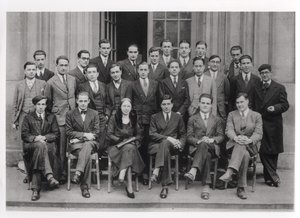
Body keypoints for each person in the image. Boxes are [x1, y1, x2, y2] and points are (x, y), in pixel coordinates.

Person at [219, 93, 262, 199]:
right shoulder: (232, 114)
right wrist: (235, 138)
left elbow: (258, 133)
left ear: (247, 101)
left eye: (242, 102)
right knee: (244, 153)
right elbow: (228, 129)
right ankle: (241, 188)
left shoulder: (256, 115)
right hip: (234, 144)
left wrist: (249, 140)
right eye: (237, 102)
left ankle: (230, 172)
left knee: (245, 150)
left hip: (251, 145)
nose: (239, 104)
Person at [252, 64, 289, 187]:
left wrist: (276, 107)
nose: (264, 75)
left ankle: (270, 178)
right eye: (262, 73)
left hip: (274, 124)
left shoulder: (279, 87)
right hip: (260, 122)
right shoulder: (256, 87)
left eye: (266, 72)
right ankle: (273, 177)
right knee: (263, 150)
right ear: (260, 75)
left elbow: (285, 105)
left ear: (271, 73)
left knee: (273, 151)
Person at [185, 94, 224, 200]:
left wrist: (212, 140)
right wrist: (199, 141)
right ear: (199, 104)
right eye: (203, 103)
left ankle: (193, 170)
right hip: (196, 148)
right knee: (205, 153)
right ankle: (206, 186)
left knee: (206, 146)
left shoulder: (217, 120)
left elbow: (221, 136)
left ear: (211, 105)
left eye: (208, 103)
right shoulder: (192, 119)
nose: (205, 105)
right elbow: (188, 137)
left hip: (212, 147)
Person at [44, 55, 77, 184]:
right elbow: (47, 102)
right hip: (60, 118)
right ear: (57, 66)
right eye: (61, 65)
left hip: (73, 117)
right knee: (61, 147)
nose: (63, 67)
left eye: (66, 65)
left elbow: (74, 96)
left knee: (74, 144)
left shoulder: (73, 79)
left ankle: (75, 172)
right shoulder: (51, 82)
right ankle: (62, 174)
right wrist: (55, 110)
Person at [21, 95, 60, 201]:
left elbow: (56, 134)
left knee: (41, 148)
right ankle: (49, 176)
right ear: (35, 105)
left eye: (43, 104)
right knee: (40, 146)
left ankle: (35, 189)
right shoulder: (28, 117)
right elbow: (24, 135)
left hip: (45, 146)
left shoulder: (51, 117)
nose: (41, 107)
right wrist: (35, 138)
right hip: (31, 146)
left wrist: (44, 137)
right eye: (38, 104)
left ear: (46, 105)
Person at [149, 95, 186, 199]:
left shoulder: (178, 117)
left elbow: (183, 134)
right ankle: (165, 186)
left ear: (172, 105)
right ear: (160, 105)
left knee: (165, 145)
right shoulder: (154, 117)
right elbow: (152, 134)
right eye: (164, 104)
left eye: (168, 104)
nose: (166, 106)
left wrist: (180, 143)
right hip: (156, 145)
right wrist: (168, 138)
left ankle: (156, 170)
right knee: (165, 145)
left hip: (173, 146)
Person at [107, 98, 145, 199]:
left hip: (130, 146)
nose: (126, 108)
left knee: (129, 148)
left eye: (128, 106)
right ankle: (129, 187)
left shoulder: (134, 118)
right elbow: (109, 134)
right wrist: (120, 140)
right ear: (120, 107)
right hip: (116, 147)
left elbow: (139, 135)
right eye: (124, 106)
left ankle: (122, 174)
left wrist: (133, 140)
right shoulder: (114, 118)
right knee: (129, 152)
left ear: (131, 107)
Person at [65, 91, 100, 198]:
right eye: (81, 101)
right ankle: (85, 187)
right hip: (77, 146)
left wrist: (79, 138)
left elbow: (97, 132)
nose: (83, 103)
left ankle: (78, 172)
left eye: (85, 101)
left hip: (91, 143)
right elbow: (68, 132)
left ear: (89, 101)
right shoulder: (70, 114)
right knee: (87, 154)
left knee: (88, 146)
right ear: (77, 101)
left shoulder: (95, 113)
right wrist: (85, 135)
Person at [131, 62, 159, 185]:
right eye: (141, 69)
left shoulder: (155, 84)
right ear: (138, 71)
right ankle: (139, 172)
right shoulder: (133, 85)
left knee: (148, 146)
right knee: (139, 146)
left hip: (151, 120)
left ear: (149, 71)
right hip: (138, 120)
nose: (143, 72)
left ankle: (147, 172)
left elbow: (158, 103)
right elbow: (130, 103)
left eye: (145, 70)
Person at [12, 62, 46, 145]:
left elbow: (46, 101)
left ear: (36, 71)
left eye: (33, 69)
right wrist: (14, 121)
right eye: (29, 69)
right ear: (25, 71)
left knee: (37, 138)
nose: (31, 71)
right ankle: (24, 157)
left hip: (37, 115)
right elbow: (15, 103)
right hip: (23, 114)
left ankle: (36, 157)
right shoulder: (19, 85)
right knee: (24, 137)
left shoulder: (42, 83)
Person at [78, 63, 109, 153]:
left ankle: (100, 159)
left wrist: (106, 115)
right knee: (92, 138)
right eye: (89, 72)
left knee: (102, 138)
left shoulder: (103, 85)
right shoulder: (82, 86)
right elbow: (81, 103)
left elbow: (108, 102)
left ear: (97, 74)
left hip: (102, 117)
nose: (92, 74)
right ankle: (92, 159)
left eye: (94, 72)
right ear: (86, 74)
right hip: (89, 117)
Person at [204, 55, 230, 120]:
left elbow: (227, 94)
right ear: (209, 63)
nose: (215, 64)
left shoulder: (224, 77)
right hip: (206, 107)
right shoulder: (203, 76)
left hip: (220, 109)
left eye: (217, 62)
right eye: (213, 62)